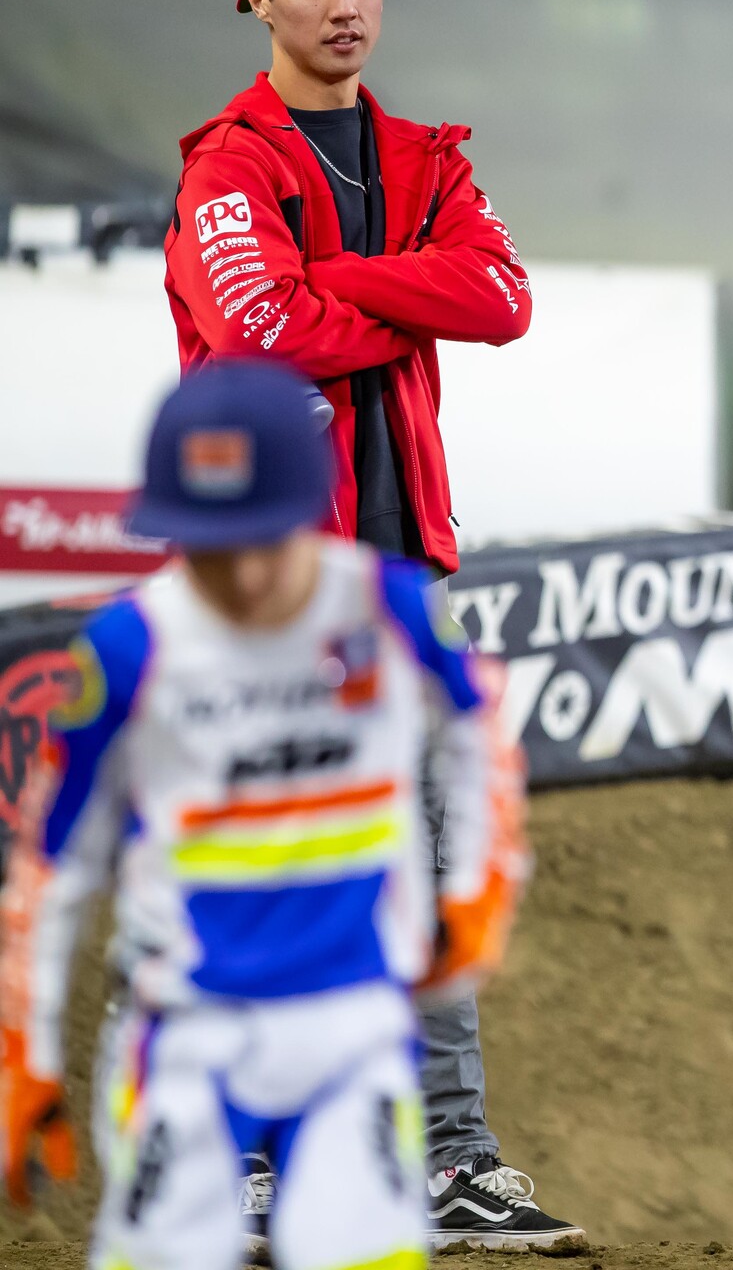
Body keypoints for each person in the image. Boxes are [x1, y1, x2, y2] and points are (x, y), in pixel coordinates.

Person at [164, 0, 573, 1251]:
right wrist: (405, 293)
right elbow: (259, 327)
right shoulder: (230, 162)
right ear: (260, 0)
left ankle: (452, 1159)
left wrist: (342, 284)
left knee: (435, 859)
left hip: (402, 574)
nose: (345, 7)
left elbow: (505, 300)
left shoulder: (428, 155)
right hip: (271, 581)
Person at [0, 360, 530, 1270]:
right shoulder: (130, 649)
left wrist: (481, 889)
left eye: (262, 537)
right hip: (184, 1037)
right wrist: (24, 1046)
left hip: (355, 1027)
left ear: (309, 509)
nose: (243, 575)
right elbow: (53, 865)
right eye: (211, 543)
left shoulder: (389, 607)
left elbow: (483, 726)